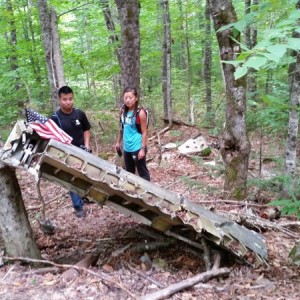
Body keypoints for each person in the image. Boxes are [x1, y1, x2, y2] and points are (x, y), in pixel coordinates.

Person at [51, 86, 91, 218]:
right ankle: (78, 207)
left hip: (82, 151)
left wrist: (86, 145)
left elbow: (86, 129)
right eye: (64, 99)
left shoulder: (79, 113)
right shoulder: (55, 118)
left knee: (87, 175)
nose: (68, 102)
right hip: (66, 154)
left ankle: (87, 196)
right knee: (72, 179)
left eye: (70, 99)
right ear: (59, 100)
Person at [115, 87, 150, 181]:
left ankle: (147, 192)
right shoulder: (122, 111)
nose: (128, 100)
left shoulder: (140, 112)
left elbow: (144, 131)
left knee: (142, 171)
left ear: (136, 98)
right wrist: (118, 142)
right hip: (127, 147)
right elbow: (121, 128)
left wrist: (142, 149)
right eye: (126, 98)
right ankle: (131, 193)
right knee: (129, 172)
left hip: (137, 146)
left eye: (130, 97)